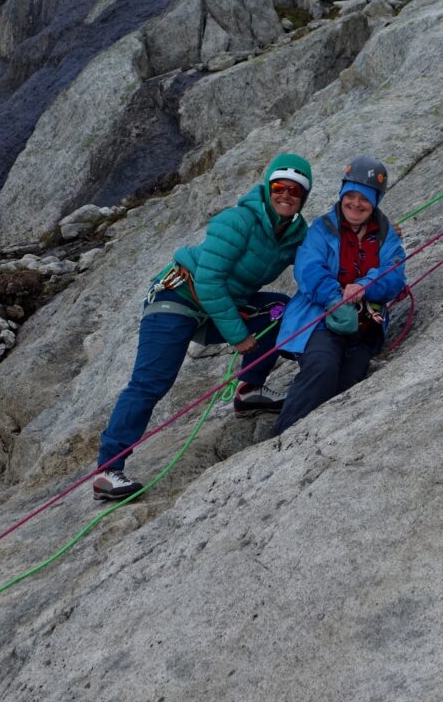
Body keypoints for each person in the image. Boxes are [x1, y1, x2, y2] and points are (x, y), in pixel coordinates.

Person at [93, 153, 312, 500]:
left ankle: (249, 390)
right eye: (280, 187)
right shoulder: (238, 220)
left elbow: (318, 261)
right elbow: (209, 281)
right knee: (152, 381)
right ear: (268, 187)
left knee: (279, 310)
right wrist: (239, 337)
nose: (286, 195)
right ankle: (108, 469)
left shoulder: (295, 235)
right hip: (177, 297)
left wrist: (375, 240)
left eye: (296, 191)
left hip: (219, 306)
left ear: (304, 197)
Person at [272, 156, 406, 436]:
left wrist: (365, 286)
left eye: (364, 199)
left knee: (347, 381)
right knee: (322, 367)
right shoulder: (322, 229)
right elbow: (309, 269)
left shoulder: (386, 236)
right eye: (351, 196)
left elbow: (394, 276)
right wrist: (334, 298)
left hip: (364, 327)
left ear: (376, 201)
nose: (356, 204)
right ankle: (283, 436)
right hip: (321, 318)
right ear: (342, 194)